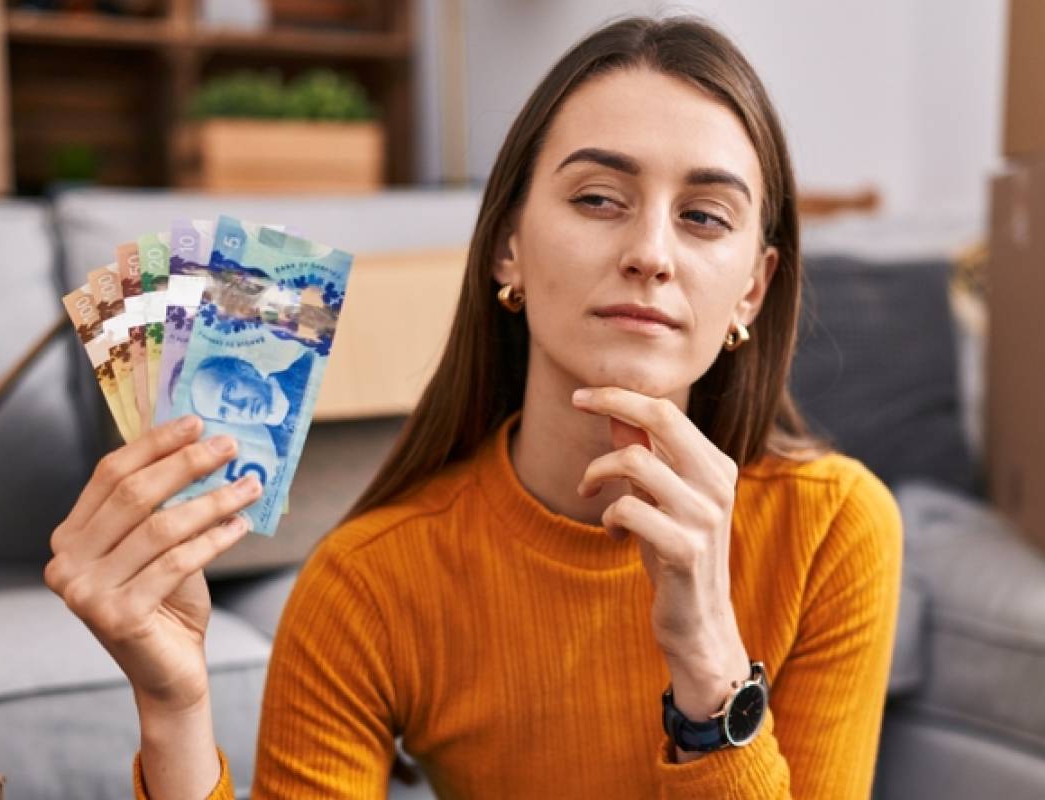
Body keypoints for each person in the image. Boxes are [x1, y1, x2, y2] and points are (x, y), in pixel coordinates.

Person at [46, 15, 903, 798]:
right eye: (599, 198)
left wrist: (710, 668)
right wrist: (173, 708)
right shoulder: (368, 583)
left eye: (706, 217)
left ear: (752, 291)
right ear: (508, 249)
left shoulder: (836, 529)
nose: (650, 252)